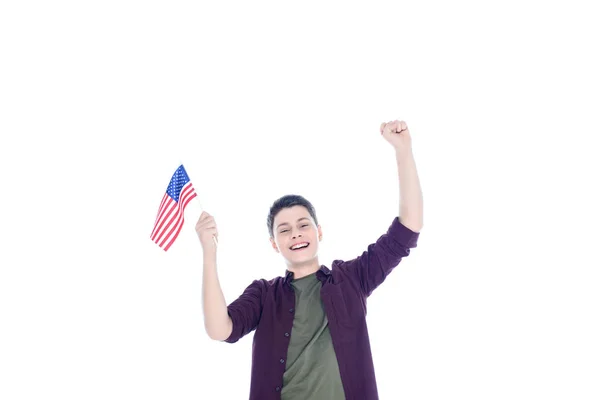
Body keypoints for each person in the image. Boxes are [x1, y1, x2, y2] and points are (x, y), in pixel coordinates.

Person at [196, 119, 423, 400]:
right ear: (274, 244)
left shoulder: (351, 279)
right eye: (284, 230)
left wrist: (403, 150)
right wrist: (209, 252)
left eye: (303, 225)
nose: (296, 234)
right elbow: (220, 329)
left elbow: (407, 230)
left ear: (319, 232)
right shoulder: (264, 295)